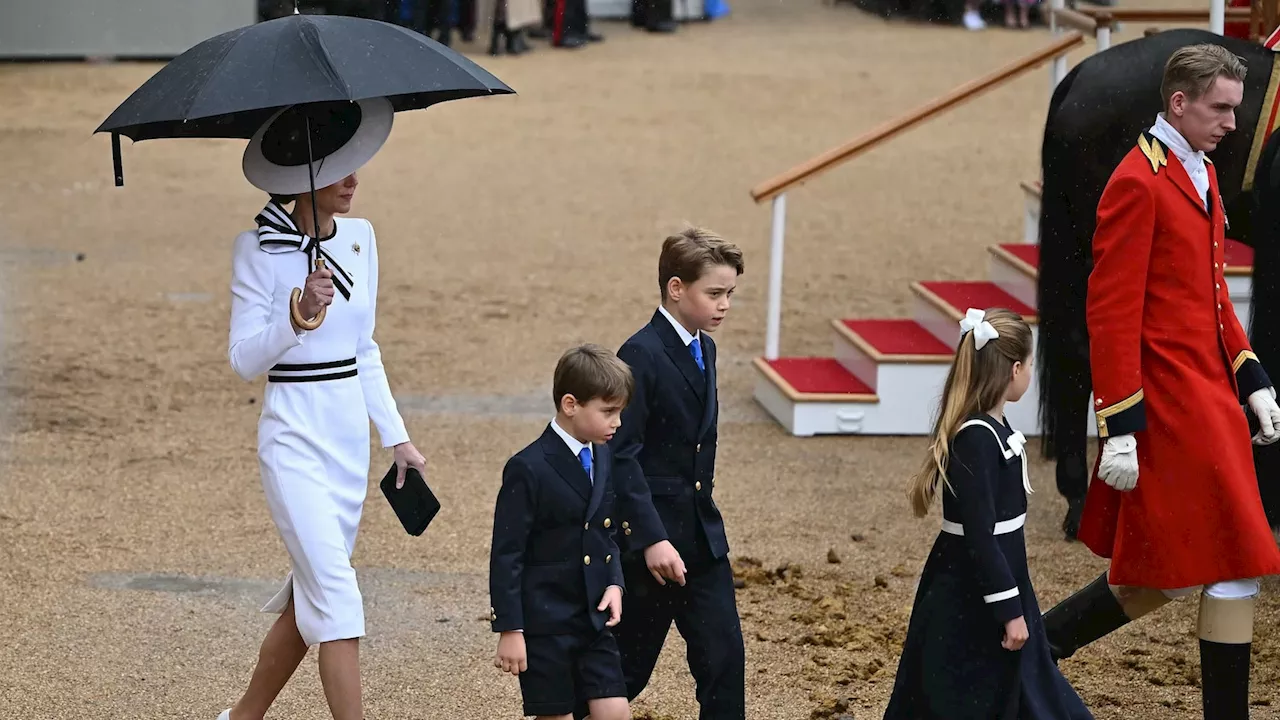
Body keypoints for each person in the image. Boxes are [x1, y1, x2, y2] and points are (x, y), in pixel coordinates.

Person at [1040, 44, 1280, 719]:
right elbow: (1110, 315)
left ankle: (1039, 648)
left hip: (1208, 393)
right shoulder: (1137, 181)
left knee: (1198, 568)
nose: (1234, 122)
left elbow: (1210, 293)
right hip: (1169, 405)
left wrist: (1252, 374)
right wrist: (1118, 428)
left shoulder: (1197, 169)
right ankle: (1037, 648)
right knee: (1205, 565)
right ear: (1180, 103)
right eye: (1221, 109)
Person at [216, 98, 427, 720]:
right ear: (299, 177)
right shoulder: (254, 249)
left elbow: (365, 349)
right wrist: (298, 314)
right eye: (339, 168)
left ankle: (241, 717)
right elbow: (243, 360)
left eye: (356, 164)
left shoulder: (362, 238)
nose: (354, 178)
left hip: (347, 442)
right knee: (337, 595)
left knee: (311, 593)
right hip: (292, 436)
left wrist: (397, 437)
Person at [883, 308, 1093, 720]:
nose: (1031, 373)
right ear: (1015, 369)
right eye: (1031, 365)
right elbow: (981, 537)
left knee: (1022, 691)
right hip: (970, 596)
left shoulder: (993, 427)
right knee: (964, 697)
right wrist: (1010, 612)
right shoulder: (976, 439)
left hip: (996, 587)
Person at [595, 227, 746, 719]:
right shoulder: (641, 353)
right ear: (676, 288)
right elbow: (622, 454)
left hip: (701, 538)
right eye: (715, 293)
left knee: (724, 663)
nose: (725, 305)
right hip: (650, 547)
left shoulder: (706, 348)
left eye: (730, 294)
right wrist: (651, 539)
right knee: (624, 672)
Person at [488, 344, 633, 720]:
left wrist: (615, 584)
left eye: (619, 412)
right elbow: (507, 555)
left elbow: (608, 532)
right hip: (544, 626)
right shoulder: (527, 467)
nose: (617, 422)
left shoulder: (603, 454)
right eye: (608, 412)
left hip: (593, 620)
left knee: (616, 712)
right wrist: (510, 628)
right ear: (571, 405)